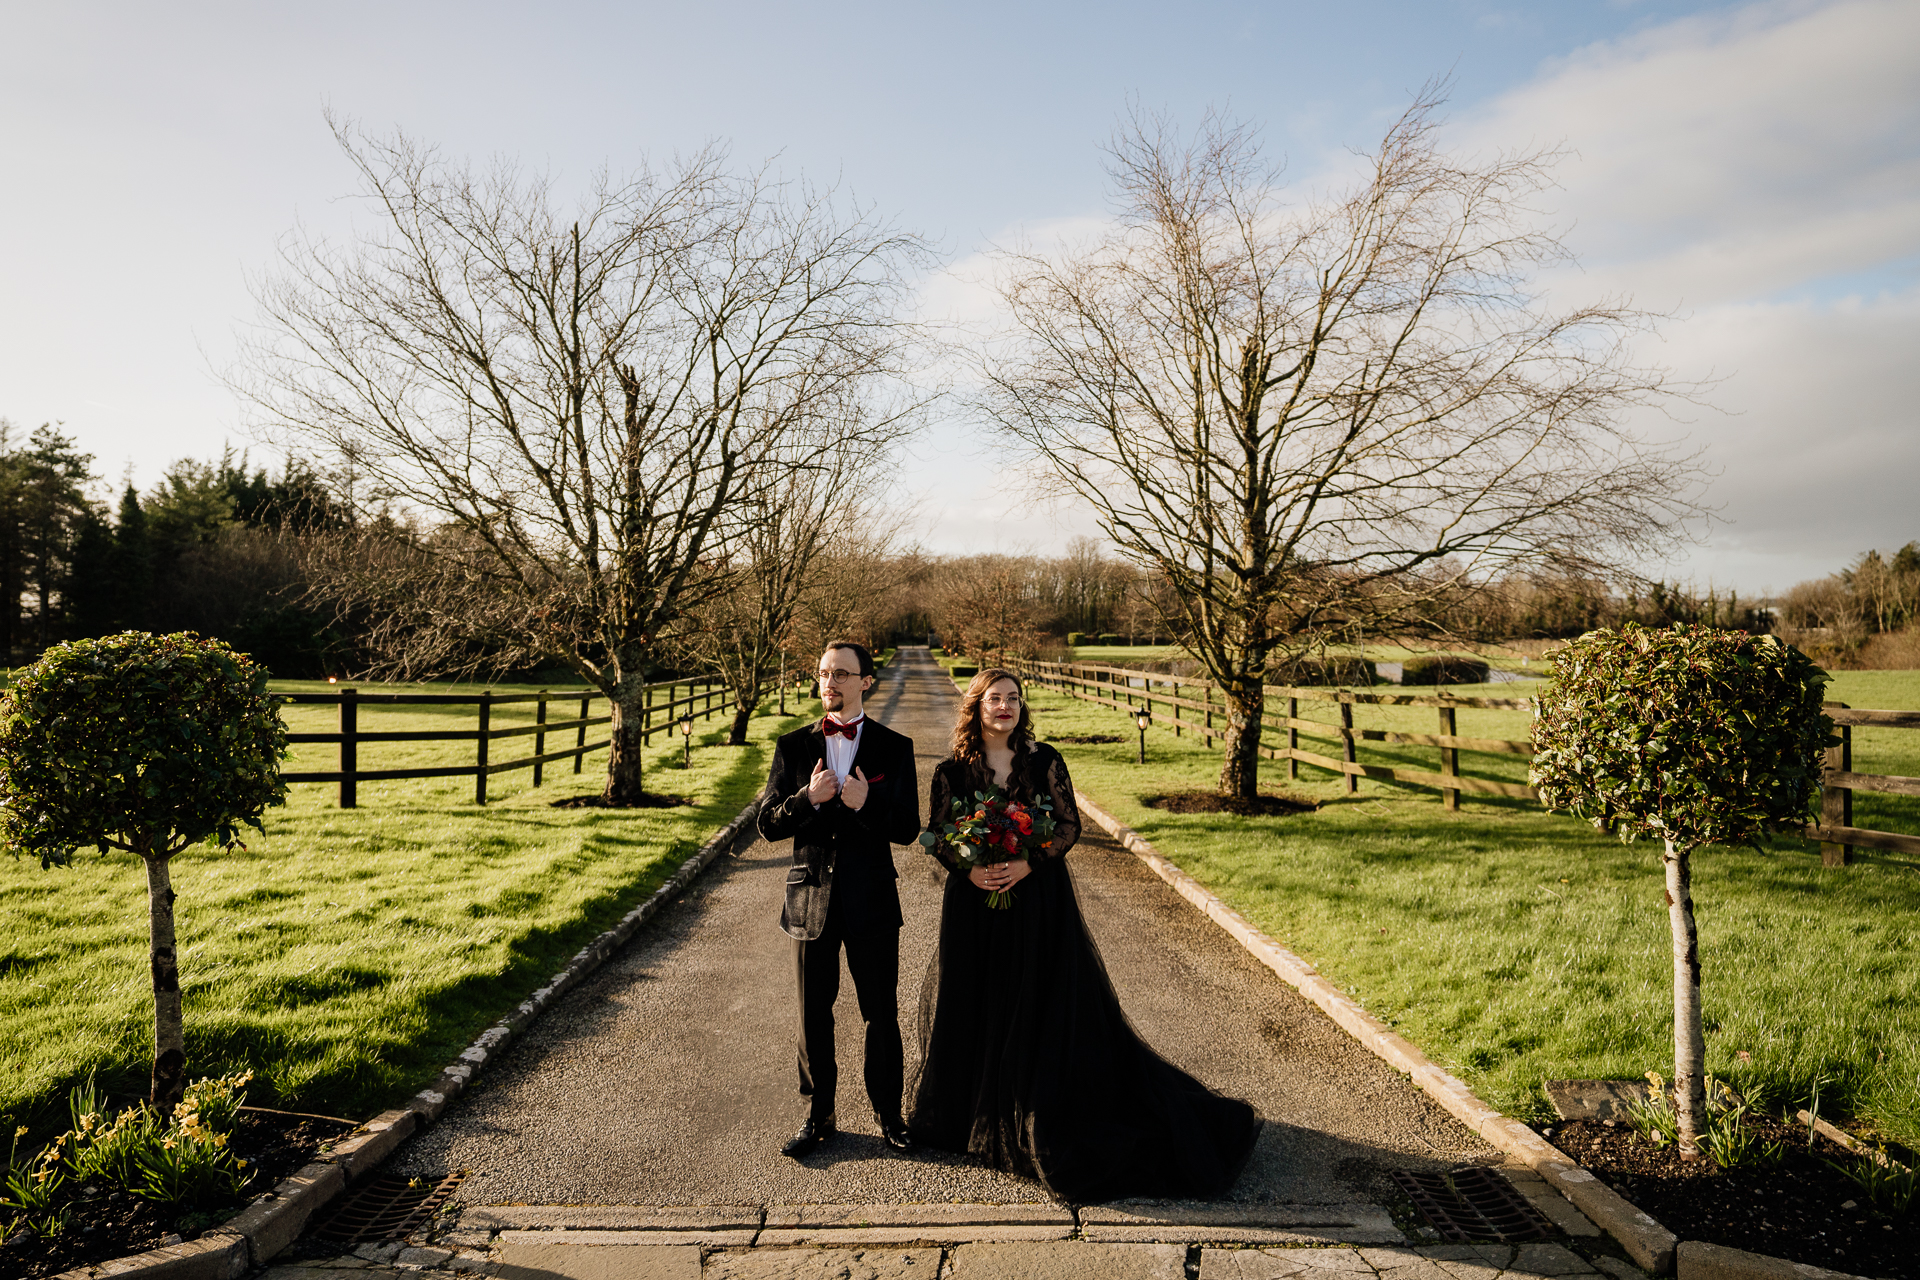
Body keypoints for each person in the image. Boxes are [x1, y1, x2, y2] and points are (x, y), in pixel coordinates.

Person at [907, 668, 1263, 1202]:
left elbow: (1069, 826)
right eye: (995, 699)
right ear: (976, 708)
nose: (1006, 707)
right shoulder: (951, 772)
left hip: (1036, 903)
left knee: (1037, 999)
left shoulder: (1044, 761)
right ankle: (979, 1113)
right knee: (978, 998)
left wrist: (1027, 864)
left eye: (1014, 699)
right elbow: (935, 835)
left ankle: (1040, 1108)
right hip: (974, 907)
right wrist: (971, 868)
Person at [757, 641, 920, 1158]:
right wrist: (808, 799)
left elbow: (908, 829)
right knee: (813, 1014)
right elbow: (766, 825)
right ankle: (818, 1114)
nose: (830, 683)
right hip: (810, 899)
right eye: (825, 674)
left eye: (842, 674)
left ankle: (890, 1114)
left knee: (880, 1012)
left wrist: (866, 802)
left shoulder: (895, 747)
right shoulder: (792, 746)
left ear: (865, 682)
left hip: (872, 899)